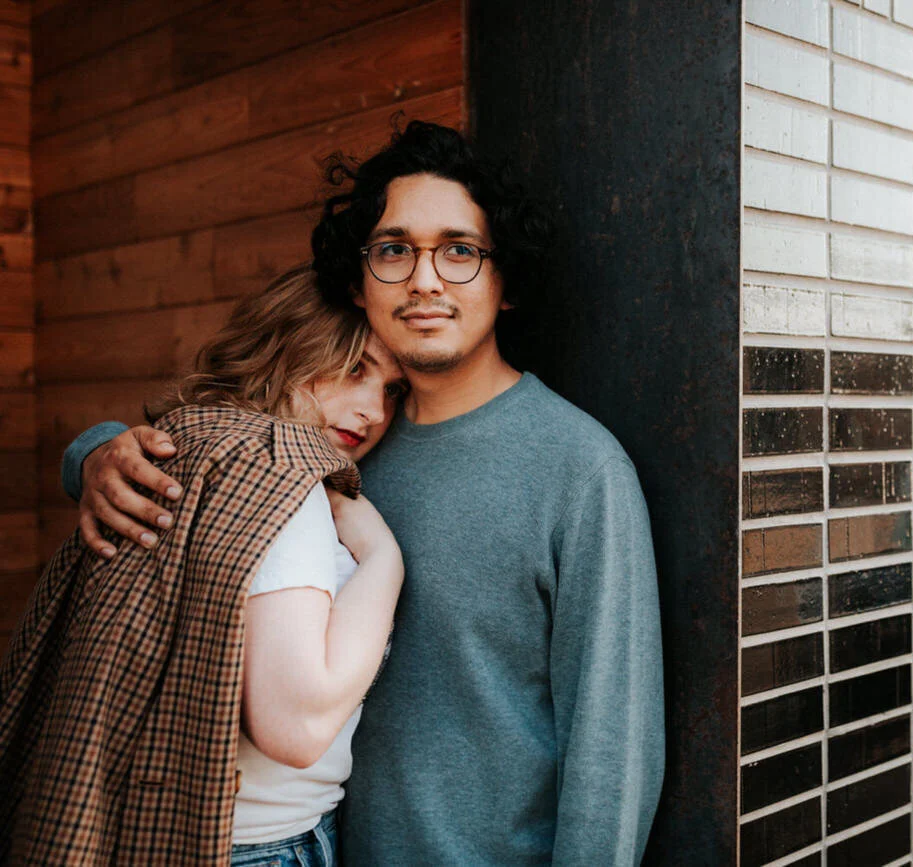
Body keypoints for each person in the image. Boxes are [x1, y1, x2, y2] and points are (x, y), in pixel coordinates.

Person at [62, 120, 665, 864]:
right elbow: (207, 446)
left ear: (505, 282)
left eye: (460, 251)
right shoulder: (337, 438)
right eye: (394, 250)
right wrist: (93, 456)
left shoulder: (581, 468)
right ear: (359, 280)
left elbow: (614, 744)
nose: (424, 279)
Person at [1, 266, 408, 865]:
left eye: (393, 389)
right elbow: (294, 729)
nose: (373, 411)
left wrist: (89, 452)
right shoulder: (284, 478)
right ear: (284, 349)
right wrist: (383, 560)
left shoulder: (193, 440)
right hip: (258, 842)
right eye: (354, 370)